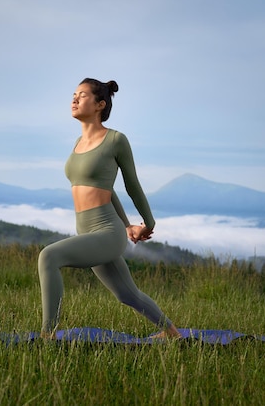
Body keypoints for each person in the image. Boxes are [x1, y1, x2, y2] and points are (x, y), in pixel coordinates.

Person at [37, 78, 181, 339]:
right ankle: (172, 333)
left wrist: (147, 224)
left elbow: (131, 185)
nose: (74, 99)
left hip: (106, 231)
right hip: (88, 230)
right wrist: (127, 225)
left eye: (82, 95)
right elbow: (107, 189)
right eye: (73, 94)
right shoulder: (77, 143)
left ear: (100, 104)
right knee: (127, 294)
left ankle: (46, 337)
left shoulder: (115, 140)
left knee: (49, 257)